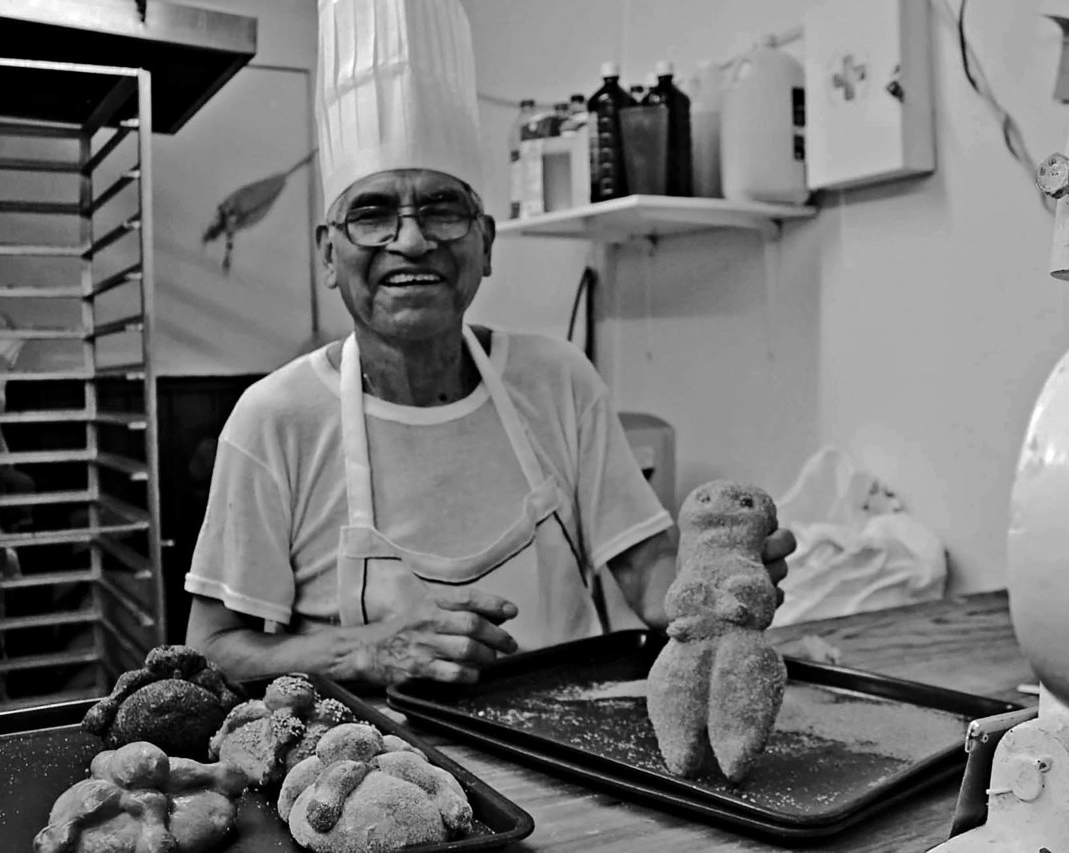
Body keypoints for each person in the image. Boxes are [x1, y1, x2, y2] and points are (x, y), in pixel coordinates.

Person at [184, 0, 794, 687]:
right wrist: (364, 650)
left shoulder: (558, 379)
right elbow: (211, 651)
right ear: (330, 254)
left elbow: (649, 572)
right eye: (373, 212)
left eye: (444, 208)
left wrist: (712, 578)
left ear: (486, 243)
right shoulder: (274, 419)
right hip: (377, 774)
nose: (411, 240)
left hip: (577, 749)